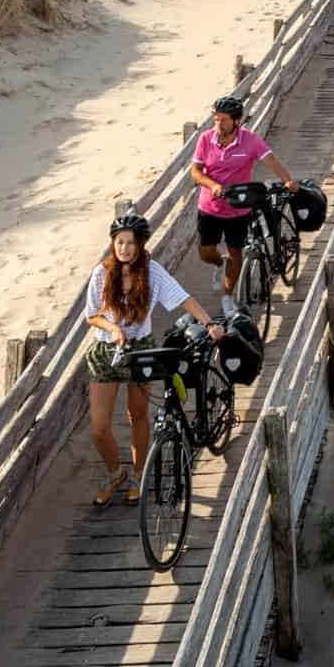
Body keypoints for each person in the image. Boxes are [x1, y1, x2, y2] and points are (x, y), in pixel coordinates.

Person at [82, 210, 220, 507]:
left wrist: (209, 323)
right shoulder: (101, 273)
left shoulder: (152, 271)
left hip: (141, 349)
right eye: (119, 242)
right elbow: (92, 316)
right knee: (99, 426)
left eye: (131, 243)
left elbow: (182, 298)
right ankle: (115, 472)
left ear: (141, 244)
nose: (124, 248)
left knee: (138, 415)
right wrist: (113, 327)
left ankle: (139, 474)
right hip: (106, 351)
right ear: (113, 243)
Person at [188, 95, 303, 306]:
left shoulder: (251, 141)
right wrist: (212, 185)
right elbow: (195, 172)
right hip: (210, 206)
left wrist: (287, 180)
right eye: (216, 119)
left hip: (238, 208)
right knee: (206, 253)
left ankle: (227, 296)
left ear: (236, 121)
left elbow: (272, 160)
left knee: (236, 253)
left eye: (223, 120)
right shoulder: (205, 139)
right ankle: (218, 263)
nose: (218, 124)